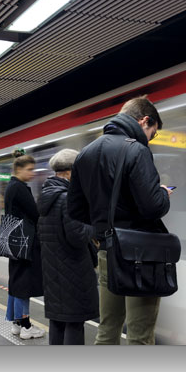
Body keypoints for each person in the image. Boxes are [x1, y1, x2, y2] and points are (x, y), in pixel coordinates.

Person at [68, 96, 172, 345]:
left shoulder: (85, 153)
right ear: (144, 120)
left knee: (108, 329)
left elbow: (75, 210)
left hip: (107, 251)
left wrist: (101, 229)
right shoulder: (137, 149)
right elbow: (152, 207)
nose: (150, 139)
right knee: (139, 335)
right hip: (140, 256)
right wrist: (163, 194)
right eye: (153, 133)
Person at [37, 149, 99, 345]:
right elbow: (77, 235)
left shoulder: (47, 195)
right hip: (73, 270)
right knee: (74, 322)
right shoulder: (67, 198)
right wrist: (95, 228)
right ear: (71, 172)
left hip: (53, 269)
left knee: (58, 320)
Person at [4, 149, 45, 340]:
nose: (32, 173)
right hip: (24, 241)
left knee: (16, 281)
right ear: (19, 169)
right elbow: (35, 213)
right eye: (29, 169)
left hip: (14, 239)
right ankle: (26, 326)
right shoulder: (19, 188)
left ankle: (16, 324)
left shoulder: (11, 186)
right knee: (24, 284)